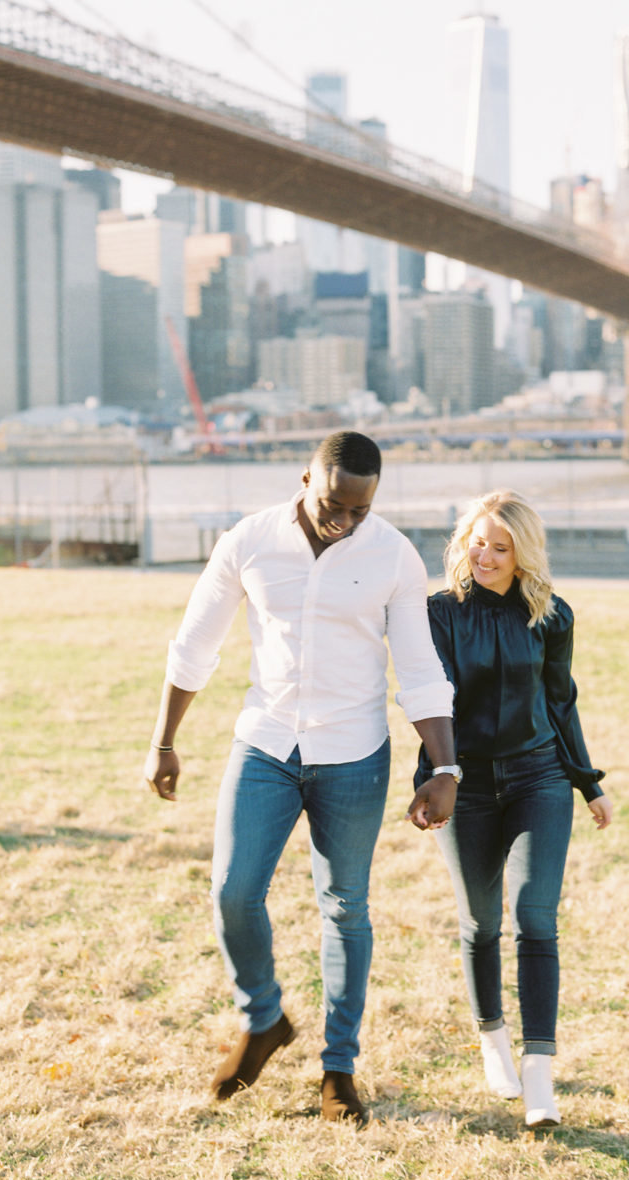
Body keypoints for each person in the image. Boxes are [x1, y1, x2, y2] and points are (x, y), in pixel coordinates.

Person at [145, 431, 458, 1124]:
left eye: (358, 511)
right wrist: (164, 739)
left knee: (345, 908)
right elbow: (196, 641)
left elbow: (419, 666)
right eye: (331, 505)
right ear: (305, 479)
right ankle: (264, 1019)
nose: (342, 521)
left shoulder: (394, 557)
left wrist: (444, 766)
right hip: (265, 744)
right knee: (232, 892)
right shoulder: (249, 540)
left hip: (354, 754)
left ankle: (338, 1072)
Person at [411, 490, 612, 1128]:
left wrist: (588, 781)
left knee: (535, 919)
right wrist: (432, 778)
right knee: (480, 922)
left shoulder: (551, 617)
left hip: (538, 778)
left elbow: (561, 704)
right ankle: (492, 1038)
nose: (487, 556)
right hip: (464, 786)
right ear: (461, 541)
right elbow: (430, 700)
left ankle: (539, 1073)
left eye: (502, 547)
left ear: (524, 554)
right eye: (478, 542)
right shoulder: (437, 614)